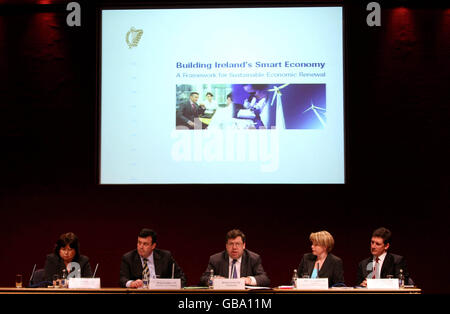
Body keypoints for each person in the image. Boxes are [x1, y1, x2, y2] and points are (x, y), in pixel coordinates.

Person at [200, 229, 270, 287]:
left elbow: (265, 279)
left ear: (243, 246)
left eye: (238, 244)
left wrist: (249, 279)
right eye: (231, 244)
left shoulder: (253, 258)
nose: (234, 248)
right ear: (226, 246)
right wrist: (214, 279)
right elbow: (203, 279)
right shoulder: (215, 259)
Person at [119, 228, 187, 288]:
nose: (141, 247)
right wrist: (131, 283)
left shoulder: (165, 257)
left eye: (145, 244)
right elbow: (122, 279)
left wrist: (173, 288)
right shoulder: (128, 258)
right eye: (139, 243)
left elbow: (182, 278)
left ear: (153, 246)